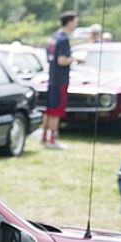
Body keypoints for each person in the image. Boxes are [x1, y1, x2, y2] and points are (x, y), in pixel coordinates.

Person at [42, 12, 78, 150]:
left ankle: (45, 137)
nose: (76, 25)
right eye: (75, 22)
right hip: (60, 79)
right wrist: (75, 59)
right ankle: (52, 139)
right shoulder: (63, 39)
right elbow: (61, 60)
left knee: (50, 109)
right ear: (69, 22)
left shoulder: (54, 37)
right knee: (56, 110)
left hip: (52, 78)